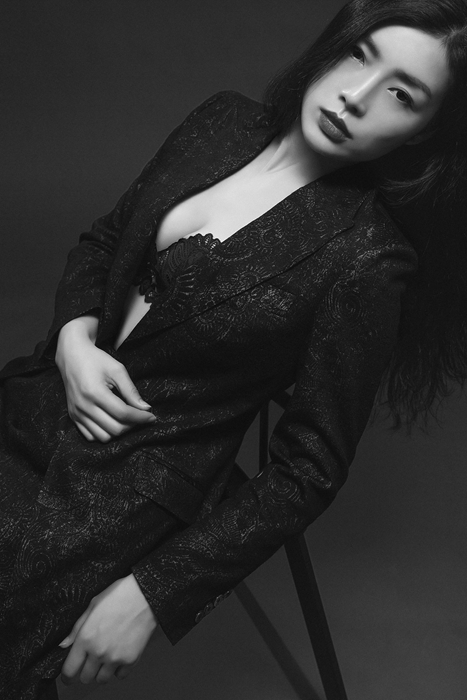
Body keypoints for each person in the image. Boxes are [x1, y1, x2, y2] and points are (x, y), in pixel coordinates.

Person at [1, 0, 467, 697]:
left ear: (423, 131)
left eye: (403, 94)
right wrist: (73, 341)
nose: (356, 96)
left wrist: (153, 594)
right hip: (27, 407)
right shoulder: (222, 121)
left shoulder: (368, 261)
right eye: (359, 55)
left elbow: (309, 469)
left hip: (107, 501)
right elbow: (106, 240)